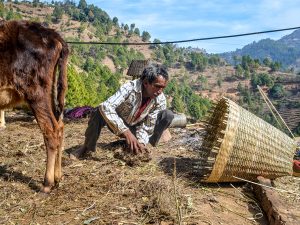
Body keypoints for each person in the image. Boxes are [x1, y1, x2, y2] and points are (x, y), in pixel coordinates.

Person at [70, 63, 174, 159]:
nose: (160, 91)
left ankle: (138, 145)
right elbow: (107, 106)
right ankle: (87, 147)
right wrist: (126, 132)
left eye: (163, 88)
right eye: (157, 86)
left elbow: (148, 125)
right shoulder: (130, 87)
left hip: (136, 127)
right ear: (146, 83)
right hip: (116, 123)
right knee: (98, 111)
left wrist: (141, 143)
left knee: (167, 115)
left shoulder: (160, 99)